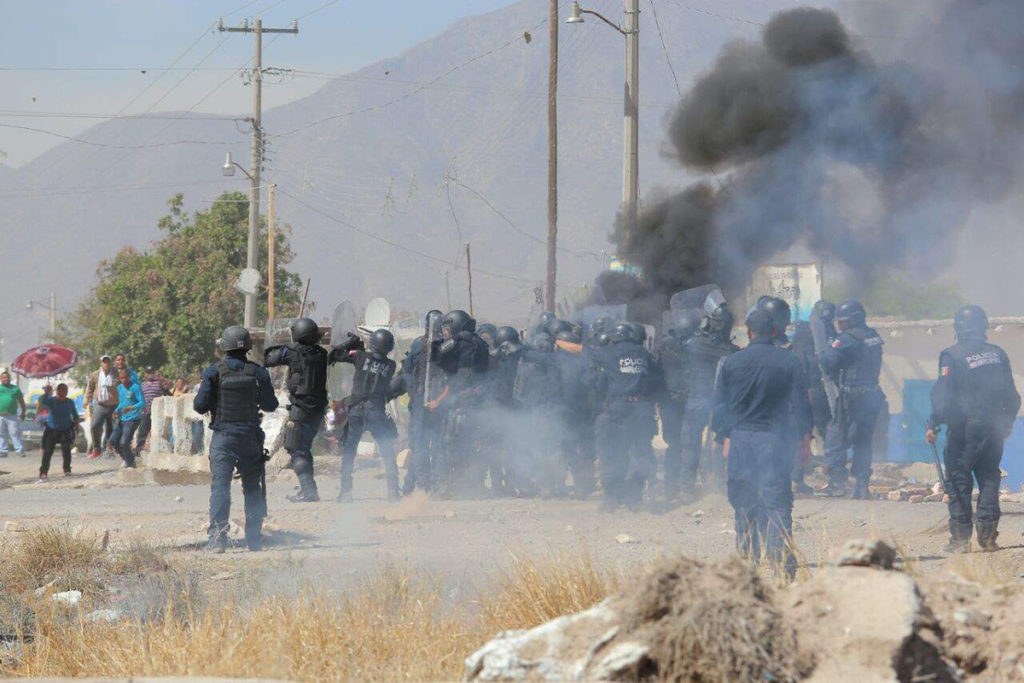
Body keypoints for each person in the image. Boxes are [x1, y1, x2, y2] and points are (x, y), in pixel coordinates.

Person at [712, 310, 812, 577]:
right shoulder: (789, 362)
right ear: (775, 331)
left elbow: (720, 406)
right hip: (775, 440)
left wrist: (724, 438)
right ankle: (781, 567)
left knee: (744, 501)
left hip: (742, 439)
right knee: (777, 503)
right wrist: (805, 440)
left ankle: (746, 566)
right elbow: (801, 404)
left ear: (748, 332)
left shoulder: (732, 363)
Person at [926, 305, 1020, 553]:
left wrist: (934, 422)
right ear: (984, 326)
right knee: (989, 479)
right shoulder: (997, 354)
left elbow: (944, 395)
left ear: (958, 327)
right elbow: (1012, 395)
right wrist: (1007, 422)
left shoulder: (952, 355)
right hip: (993, 428)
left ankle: (960, 540)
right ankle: (988, 539)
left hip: (964, 429)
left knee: (959, 481)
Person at [193, 325, 279, 553]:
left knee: (220, 488)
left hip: (224, 438)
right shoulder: (258, 372)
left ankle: (218, 540)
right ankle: (254, 539)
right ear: (248, 347)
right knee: (252, 488)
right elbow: (271, 405)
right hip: (250, 438)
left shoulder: (213, 372)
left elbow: (199, 406)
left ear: (224, 347)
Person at [816, 300, 885, 499]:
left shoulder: (847, 339)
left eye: (843, 322)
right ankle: (862, 485)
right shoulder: (873, 335)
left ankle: (837, 483)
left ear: (853, 320)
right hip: (871, 395)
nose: (840, 325)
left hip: (851, 397)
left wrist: (829, 342)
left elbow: (827, 362)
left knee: (836, 437)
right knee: (863, 441)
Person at [591, 322, 660, 511]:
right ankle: (634, 498)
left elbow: (588, 354)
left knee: (610, 453)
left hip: (618, 410)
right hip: (641, 409)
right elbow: (655, 380)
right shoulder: (643, 353)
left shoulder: (609, 353)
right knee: (641, 452)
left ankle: (612, 498)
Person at [264, 317, 334, 503]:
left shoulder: (292, 352)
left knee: (295, 448)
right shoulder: (321, 353)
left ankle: (309, 491)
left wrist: (287, 346)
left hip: (301, 407)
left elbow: (269, 359)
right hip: (318, 409)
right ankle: (308, 488)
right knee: (304, 447)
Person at [333, 329, 402, 502]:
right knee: (387, 451)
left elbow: (335, 354)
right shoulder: (391, 365)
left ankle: (346, 493)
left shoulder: (360, 356)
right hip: (376, 412)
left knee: (350, 452)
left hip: (356, 411)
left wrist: (351, 343)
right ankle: (393, 492)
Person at [678, 304, 739, 498]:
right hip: (721, 404)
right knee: (720, 443)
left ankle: (687, 487)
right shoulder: (731, 351)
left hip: (697, 400)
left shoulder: (694, 344)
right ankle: (718, 485)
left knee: (690, 444)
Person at [430, 309, 491, 498]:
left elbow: (460, 375)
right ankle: (472, 484)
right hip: (475, 400)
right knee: (471, 443)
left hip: (463, 401)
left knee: (451, 442)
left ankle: (450, 486)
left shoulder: (462, 342)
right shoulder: (479, 342)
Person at [654, 309, 702, 501]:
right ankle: (685, 488)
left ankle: (670, 487)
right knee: (690, 445)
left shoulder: (664, 348)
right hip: (688, 402)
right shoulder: (696, 348)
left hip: (670, 403)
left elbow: (656, 373)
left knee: (674, 445)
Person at [37, 383, 79, 480]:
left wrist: (76, 425)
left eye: (66, 390)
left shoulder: (70, 402)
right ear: (58, 391)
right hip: (51, 430)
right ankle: (43, 472)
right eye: (63, 390)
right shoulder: (51, 401)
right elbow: (42, 401)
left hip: (65, 430)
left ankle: (67, 469)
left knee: (66, 451)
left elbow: (75, 415)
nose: (65, 392)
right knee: (47, 452)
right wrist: (46, 392)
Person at [84, 354, 119, 458]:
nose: (106, 363)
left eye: (108, 361)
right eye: (104, 361)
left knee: (112, 428)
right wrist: (86, 400)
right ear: (101, 363)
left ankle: (111, 449)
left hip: (113, 405)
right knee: (95, 426)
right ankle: (96, 449)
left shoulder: (116, 373)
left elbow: (121, 385)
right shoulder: (96, 374)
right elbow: (89, 388)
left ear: (111, 362)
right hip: (100, 404)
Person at [113, 369, 144, 468]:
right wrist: (116, 410)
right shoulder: (119, 388)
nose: (123, 380)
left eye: (125, 378)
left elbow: (142, 402)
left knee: (124, 442)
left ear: (129, 377)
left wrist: (131, 407)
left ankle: (130, 463)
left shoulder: (135, 387)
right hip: (123, 419)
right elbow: (122, 403)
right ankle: (127, 459)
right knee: (114, 440)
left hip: (133, 418)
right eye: (121, 378)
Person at [135, 366, 169, 455]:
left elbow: (167, 388)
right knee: (142, 432)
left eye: (151, 372)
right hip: (146, 412)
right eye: (148, 373)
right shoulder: (142, 385)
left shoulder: (159, 383)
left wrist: (162, 379)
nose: (150, 374)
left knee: (158, 431)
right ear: (145, 374)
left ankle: (160, 450)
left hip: (157, 413)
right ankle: (138, 451)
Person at [0, 370, 27, 458]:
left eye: (7, 377)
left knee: (15, 432)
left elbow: (21, 401)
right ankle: (3, 451)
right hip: (0, 415)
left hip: (12, 415)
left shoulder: (15, 389)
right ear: (1, 379)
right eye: (4, 377)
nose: (6, 379)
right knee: (1, 433)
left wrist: (23, 411)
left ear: (10, 379)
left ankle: (19, 450)